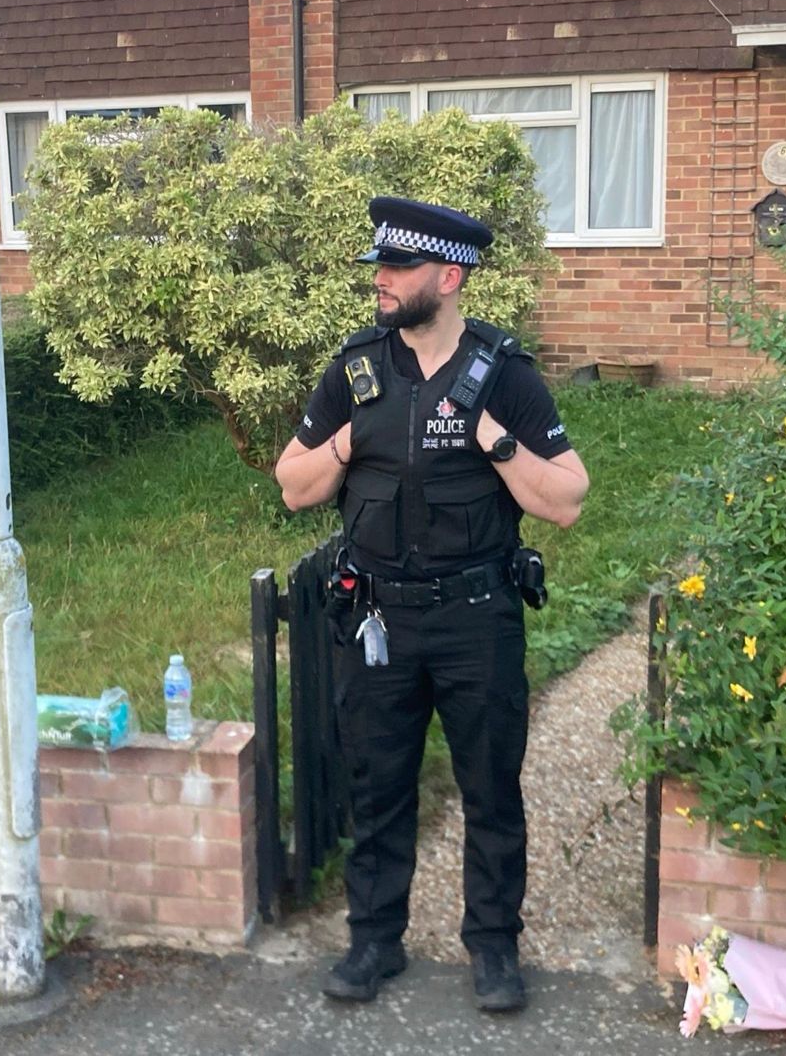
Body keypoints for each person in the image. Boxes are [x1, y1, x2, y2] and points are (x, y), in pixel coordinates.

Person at [274, 196, 590, 1013]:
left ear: (448, 277)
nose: (381, 281)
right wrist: (351, 439)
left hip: (475, 618)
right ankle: (374, 940)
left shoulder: (504, 372)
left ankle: (492, 946)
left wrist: (497, 441)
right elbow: (293, 485)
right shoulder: (355, 369)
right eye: (380, 267)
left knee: (492, 787)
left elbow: (567, 499)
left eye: (399, 268)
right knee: (377, 784)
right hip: (376, 616)